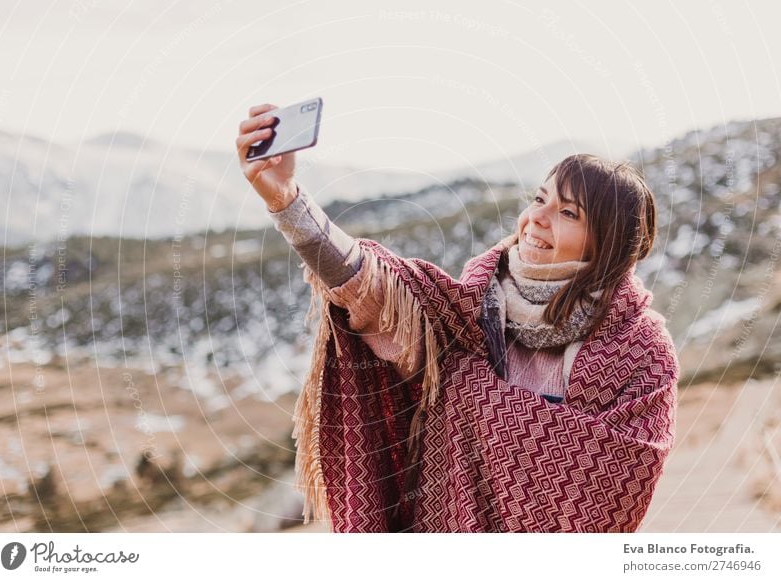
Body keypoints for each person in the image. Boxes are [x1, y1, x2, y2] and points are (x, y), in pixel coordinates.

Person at [236, 103, 679, 533]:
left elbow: (614, 490)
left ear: (609, 245)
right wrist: (287, 202)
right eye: (539, 199)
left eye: (567, 212)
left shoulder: (641, 351)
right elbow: (372, 288)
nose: (535, 220)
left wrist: (471, 392)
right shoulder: (472, 310)